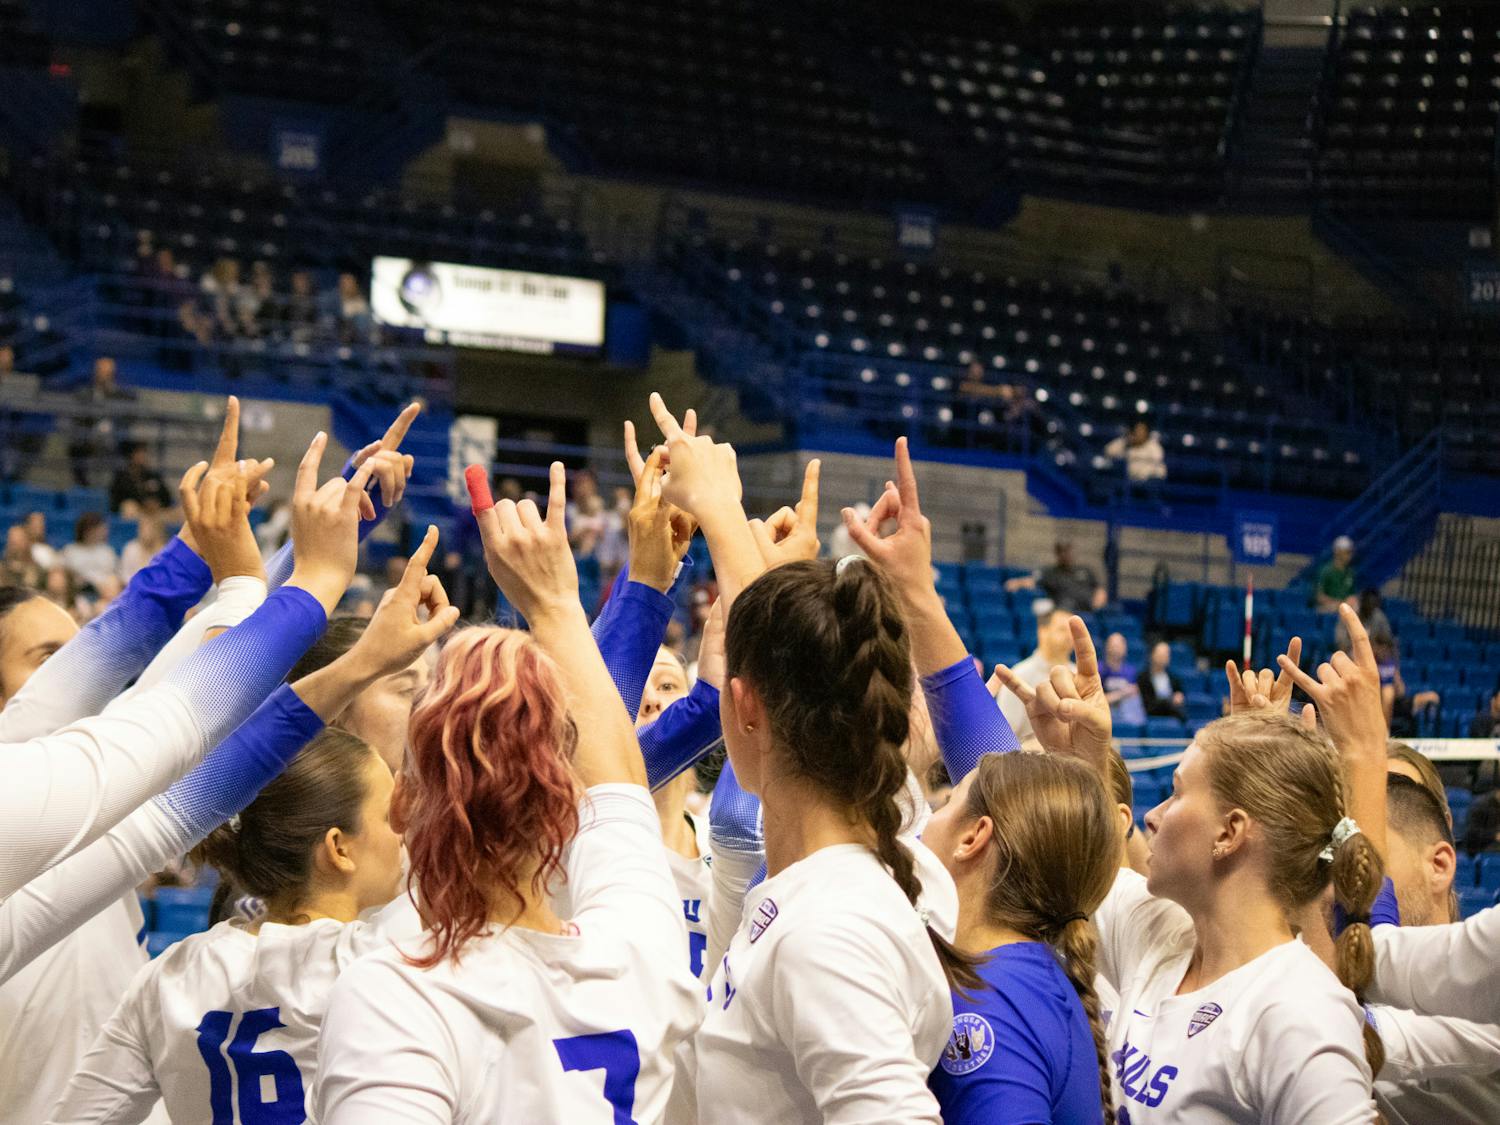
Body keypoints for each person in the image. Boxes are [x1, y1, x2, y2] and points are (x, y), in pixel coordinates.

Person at [314, 459, 703, 1122]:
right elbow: (618, 787)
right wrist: (560, 602)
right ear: (565, 814)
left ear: (402, 803)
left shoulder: (392, 989)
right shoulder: (639, 948)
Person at [1003, 606, 1390, 1122]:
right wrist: (1084, 762)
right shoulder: (1162, 934)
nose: (1153, 816)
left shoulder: (1300, 1014)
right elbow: (1078, 858)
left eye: (1177, 792)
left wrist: (1365, 755)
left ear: (1229, 834)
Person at [921, 751, 1119, 1125]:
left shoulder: (987, 1000)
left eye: (946, 803)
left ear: (973, 837)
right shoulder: (1024, 974)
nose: (927, 820)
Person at [998, 605, 1075, 742]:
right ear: (1042, 632)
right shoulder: (1019, 675)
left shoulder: (1078, 674)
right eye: (1062, 629)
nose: (1069, 636)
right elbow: (1004, 735)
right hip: (1027, 754)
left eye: (1072, 631)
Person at [68, 356, 133, 486]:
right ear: (95, 373)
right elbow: (77, 418)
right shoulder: (83, 394)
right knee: (76, 446)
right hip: (88, 438)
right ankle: (83, 485)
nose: (105, 376)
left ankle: (117, 487)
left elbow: (127, 419)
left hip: (114, 440)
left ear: (114, 375)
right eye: (101, 372)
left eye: (108, 373)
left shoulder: (122, 396)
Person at [1009, 540, 1108, 613]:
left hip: (1088, 612)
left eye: (1067, 550)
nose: (1065, 554)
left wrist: (1098, 600)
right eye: (1062, 551)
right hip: (1064, 612)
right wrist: (1017, 583)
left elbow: (1100, 589)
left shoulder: (1085, 570)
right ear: (1057, 554)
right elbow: (1032, 581)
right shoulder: (1050, 572)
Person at [61, 512, 121, 593]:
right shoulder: (70, 550)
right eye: (96, 529)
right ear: (85, 530)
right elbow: (64, 575)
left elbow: (115, 576)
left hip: (104, 592)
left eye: (102, 529)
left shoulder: (108, 552)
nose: (102, 532)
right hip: (76, 592)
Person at [109, 442, 173, 517]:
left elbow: (167, 496)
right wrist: (142, 503)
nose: (143, 456)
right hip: (136, 512)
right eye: (139, 453)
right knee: (129, 507)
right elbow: (117, 500)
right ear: (131, 456)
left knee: (180, 510)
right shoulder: (121, 478)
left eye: (144, 453)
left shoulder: (153, 476)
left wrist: (157, 503)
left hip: (156, 512)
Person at [1102, 631, 1146, 727]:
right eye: (1113, 645)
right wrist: (1121, 694)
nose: (1116, 649)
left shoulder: (1131, 671)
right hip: (1104, 715)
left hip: (1127, 717)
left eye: (1119, 646)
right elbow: (1097, 700)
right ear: (1107, 647)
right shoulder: (1099, 669)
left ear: (1125, 649)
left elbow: (1134, 695)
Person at [1137, 640, 1185, 720]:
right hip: (1151, 718)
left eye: (1167, 654)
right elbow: (1147, 704)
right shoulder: (1143, 678)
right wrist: (1169, 701)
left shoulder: (1174, 678)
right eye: (1161, 654)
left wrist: (1179, 698)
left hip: (1172, 717)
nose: (1164, 658)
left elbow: (1179, 696)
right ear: (1152, 655)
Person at [1336, 589, 1393, 653]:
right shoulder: (1349, 615)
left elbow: (1387, 639)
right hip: (1351, 651)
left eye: (1373, 604)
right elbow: (1341, 642)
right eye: (1367, 603)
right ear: (1361, 603)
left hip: (1374, 652)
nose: (1369, 606)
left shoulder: (1378, 616)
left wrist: (1379, 648)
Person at [119, 512, 169, 584]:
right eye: (143, 528)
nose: (146, 532)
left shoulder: (165, 552)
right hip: (133, 587)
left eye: (150, 528)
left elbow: (165, 579)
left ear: (158, 531)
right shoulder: (130, 548)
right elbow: (124, 576)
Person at [1316, 535, 1358, 612]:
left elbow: (1352, 595)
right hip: (1329, 607)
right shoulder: (1326, 571)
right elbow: (1320, 597)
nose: (1350, 556)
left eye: (1351, 552)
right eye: (1347, 552)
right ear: (1337, 552)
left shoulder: (1350, 572)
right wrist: (1340, 603)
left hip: (1345, 606)